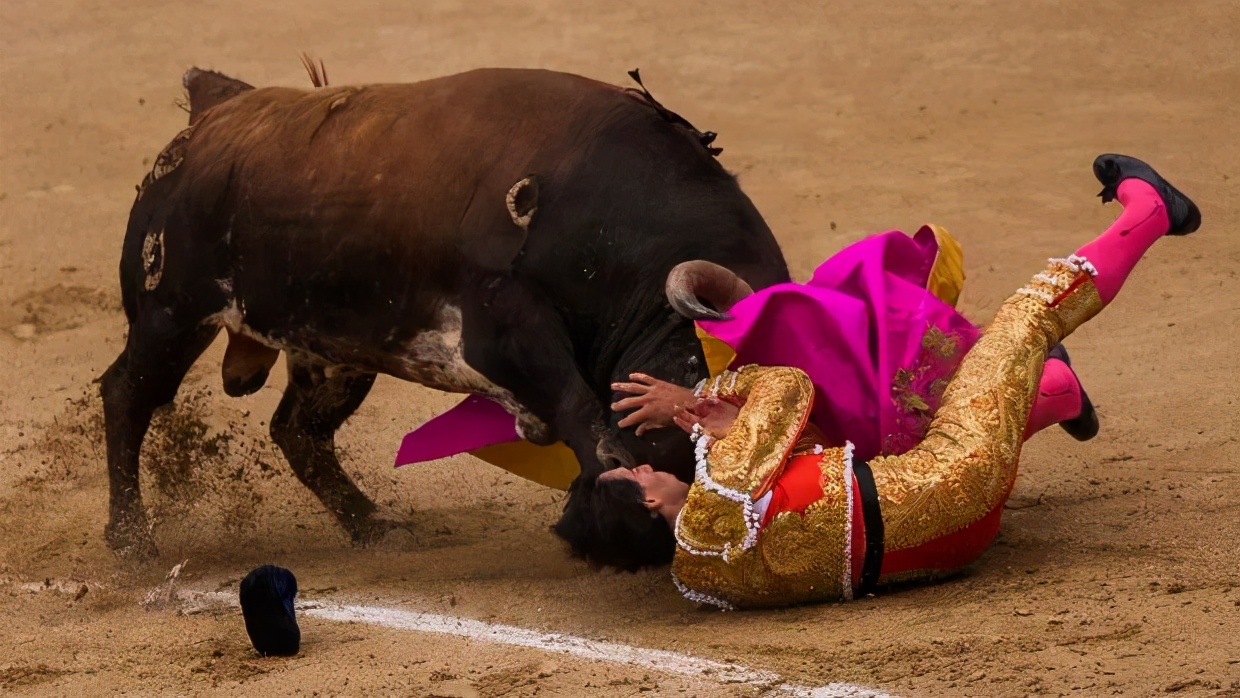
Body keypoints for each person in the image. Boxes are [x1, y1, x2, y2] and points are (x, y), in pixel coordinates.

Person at [555, 154, 1201, 608]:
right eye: (636, 477)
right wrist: (699, 402)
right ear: (643, 503)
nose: (645, 470)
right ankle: (1150, 210)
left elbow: (805, 477)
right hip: (952, 475)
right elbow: (788, 387)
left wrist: (741, 434)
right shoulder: (721, 486)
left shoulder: (699, 584)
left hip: (953, 550)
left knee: (925, 413)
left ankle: (1057, 390)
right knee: (1027, 317)